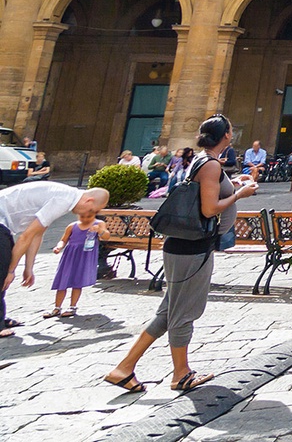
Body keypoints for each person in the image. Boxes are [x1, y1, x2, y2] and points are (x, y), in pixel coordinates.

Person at [106, 114, 258, 394]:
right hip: (192, 249)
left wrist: (234, 184)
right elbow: (209, 209)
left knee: (168, 312)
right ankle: (181, 374)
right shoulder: (210, 164)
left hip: (183, 246)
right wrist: (239, 195)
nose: (233, 134)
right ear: (225, 135)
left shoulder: (204, 160)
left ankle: (124, 368)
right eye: (231, 129)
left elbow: (205, 195)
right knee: (183, 313)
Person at [0, 182, 109, 339]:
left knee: (3, 268)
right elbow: (25, 237)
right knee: (2, 271)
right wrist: (10, 270)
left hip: (4, 222)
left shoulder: (66, 197)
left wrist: (28, 268)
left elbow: (37, 233)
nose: (89, 215)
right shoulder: (62, 200)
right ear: (89, 201)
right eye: (91, 210)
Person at [46, 203, 105, 318]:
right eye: (82, 217)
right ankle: (57, 307)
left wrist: (100, 231)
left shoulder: (99, 224)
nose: (85, 219)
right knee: (62, 280)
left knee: (77, 281)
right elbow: (63, 239)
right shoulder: (72, 226)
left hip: (85, 256)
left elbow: (106, 236)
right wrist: (59, 247)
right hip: (70, 255)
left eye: (89, 217)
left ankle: (73, 306)